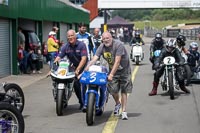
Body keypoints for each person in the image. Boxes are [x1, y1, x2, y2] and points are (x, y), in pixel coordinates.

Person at [85, 31, 133, 120]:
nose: (106, 40)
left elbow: (117, 61)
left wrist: (111, 74)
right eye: (104, 39)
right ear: (102, 40)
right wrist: (88, 66)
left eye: (107, 38)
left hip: (124, 70)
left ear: (111, 38)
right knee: (113, 90)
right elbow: (95, 58)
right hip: (113, 71)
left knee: (124, 90)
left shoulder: (118, 45)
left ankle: (124, 111)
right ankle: (118, 103)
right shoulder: (102, 47)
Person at [54, 29, 88, 110]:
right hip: (72, 67)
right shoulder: (65, 46)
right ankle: (63, 99)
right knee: (61, 79)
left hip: (83, 67)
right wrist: (53, 66)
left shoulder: (81, 45)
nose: (70, 37)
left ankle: (82, 102)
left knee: (78, 83)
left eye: (72, 35)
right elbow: (59, 56)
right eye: (68, 36)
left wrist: (78, 70)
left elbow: (84, 59)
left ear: (75, 36)